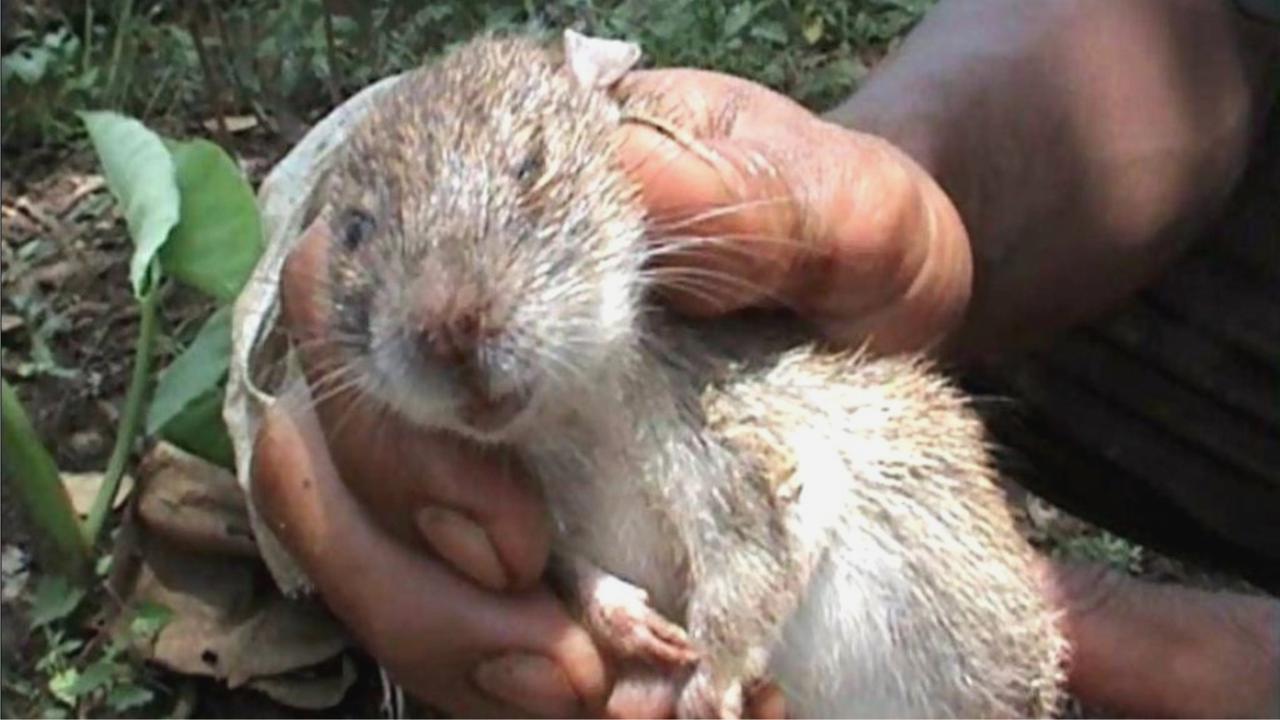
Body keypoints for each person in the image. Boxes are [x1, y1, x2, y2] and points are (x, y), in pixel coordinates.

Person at [249, 1, 1280, 717]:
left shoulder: (682, 392)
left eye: (526, 177)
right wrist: (870, 200)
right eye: (362, 241)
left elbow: (748, 517)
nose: (444, 315)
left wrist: (723, 660)